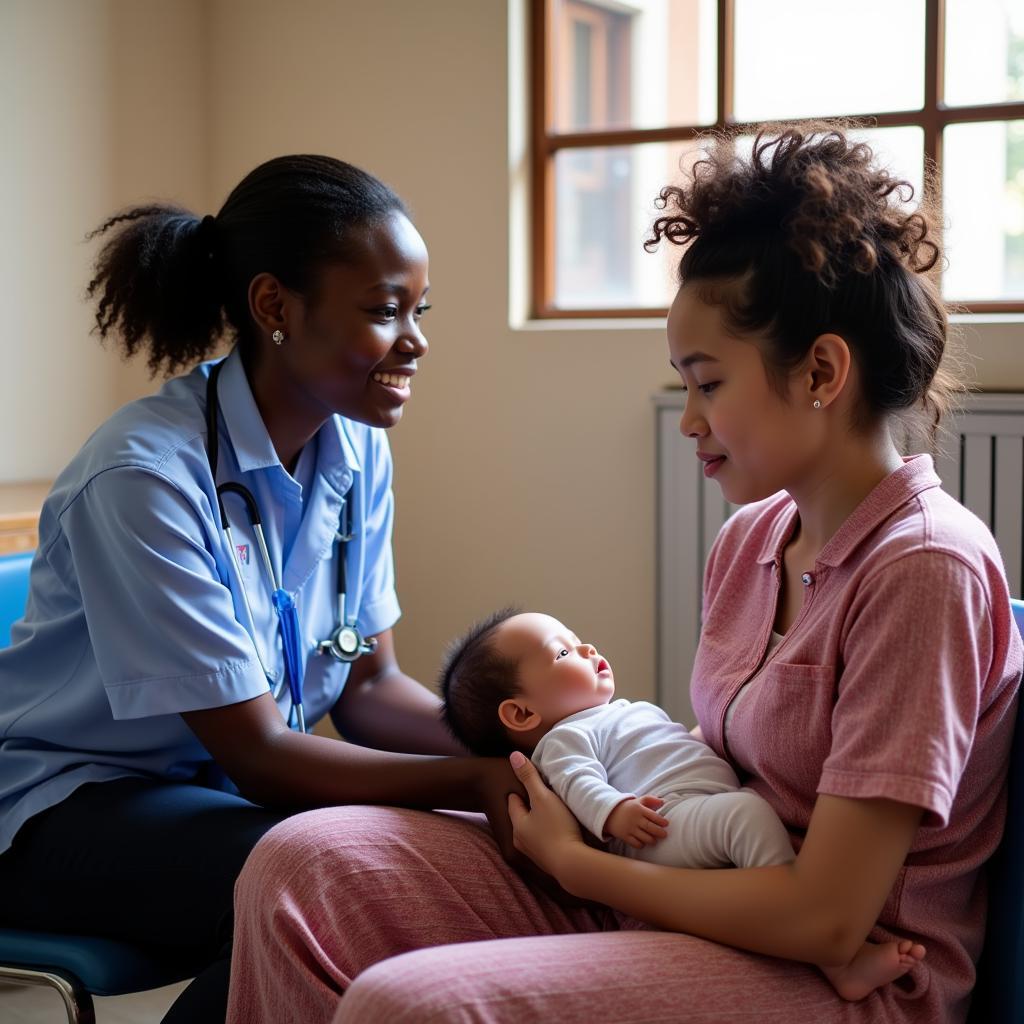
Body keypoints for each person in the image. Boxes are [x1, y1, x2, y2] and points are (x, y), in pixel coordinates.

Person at [225, 126, 1023, 1024]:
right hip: (693, 881)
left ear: (822, 372)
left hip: (846, 975)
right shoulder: (755, 539)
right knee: (302, 865)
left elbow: (829, 919)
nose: (689, 419)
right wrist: (582, 801)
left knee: (410, 1006)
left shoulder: (924, 570)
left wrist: (576, 863)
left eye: (708, 383)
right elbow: (716, 767)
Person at [0, 154, 524, 1024]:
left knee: (435, 867)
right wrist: (478, 781)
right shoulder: (146, 479)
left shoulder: (356, 449)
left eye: (419, 311)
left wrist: (529, 752)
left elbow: (366, 689)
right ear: (276, 307)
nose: (417, 339)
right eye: (384, 310)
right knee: (340, 887)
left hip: (216, 796)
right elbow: (259, 752)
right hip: (63, 811)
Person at [439, 606, 927, 1001]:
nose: (587, 648)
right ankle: (832, 959)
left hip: (689, 811)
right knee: (746, 814)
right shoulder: (564, 741)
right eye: (563, 650)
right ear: (522, 713)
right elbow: (576, 782)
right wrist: (614, 812)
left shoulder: (620, 714)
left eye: (578, 636)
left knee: (737, 816)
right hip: (657, 825)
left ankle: (771, 912)